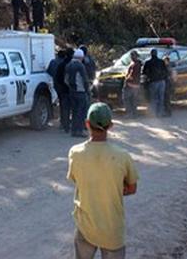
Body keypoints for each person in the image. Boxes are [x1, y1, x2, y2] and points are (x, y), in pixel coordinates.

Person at [67, 103, 139, 259]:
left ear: (87, 124)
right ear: (111, 126)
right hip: (113, 229)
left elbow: (76, 180)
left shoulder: (75, 153)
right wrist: (112, 188)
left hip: (86, 227)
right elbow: (132, 188)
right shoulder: (123, 156)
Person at [65, 49, 90, 138]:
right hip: (81, 91)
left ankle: (73, 130)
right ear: (81, 57)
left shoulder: (68, 65)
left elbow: (66, 80)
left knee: (74, 112)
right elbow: (85, 80)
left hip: (72, 91)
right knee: (81, 112)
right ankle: (79, 131)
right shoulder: (80, 66)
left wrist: (71, 87)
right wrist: (88, 90)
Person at [142, 49, 168, 117]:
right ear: (156, 54)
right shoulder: (161, 61)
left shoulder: (148, 62)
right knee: (161, 98)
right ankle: (160, 113)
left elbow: (144, 72)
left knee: (153, 98)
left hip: (153, 82)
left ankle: (154, 113)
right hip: (162, 82)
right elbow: (166, 71)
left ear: (151, 54)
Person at [51, 49, 71, 132]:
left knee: (63, 106)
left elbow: (51, 72)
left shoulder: (54, 62)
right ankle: (68, 124)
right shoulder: (69, 64)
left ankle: (63, 123)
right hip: (68, 89)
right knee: (70, 107)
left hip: (59, 87)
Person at [123, 50, 142, 117]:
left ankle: (130, 114)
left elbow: (132, 75)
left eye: (132, 55)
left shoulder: (135, 64)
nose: (131, 57)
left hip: (130, 85)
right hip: (136, 85)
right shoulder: (138, 63)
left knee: (127, 99)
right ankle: (134, 114)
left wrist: (126, 78)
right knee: (134, 100)